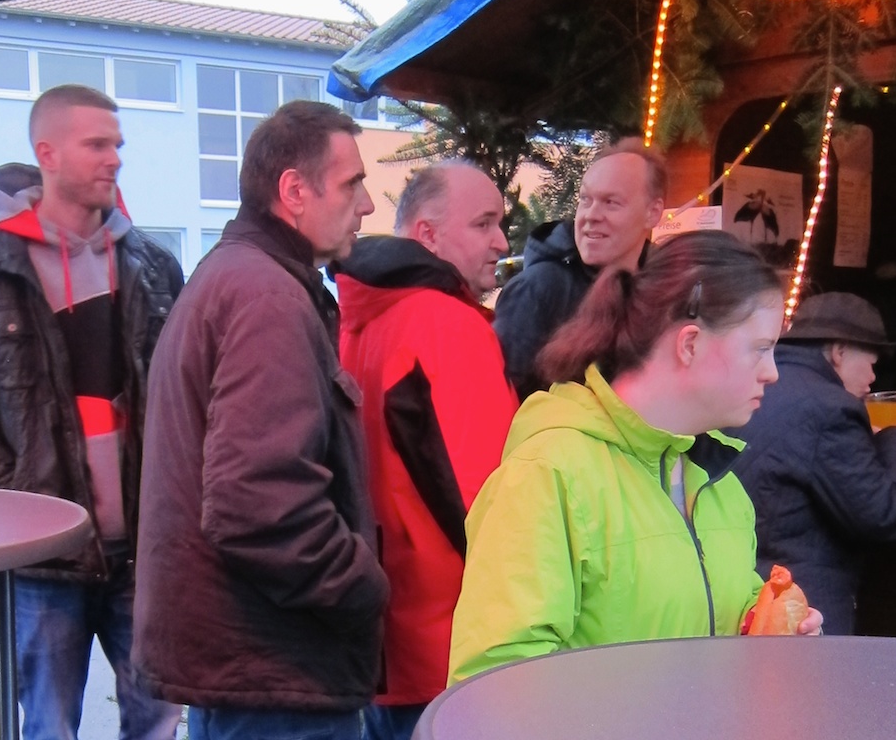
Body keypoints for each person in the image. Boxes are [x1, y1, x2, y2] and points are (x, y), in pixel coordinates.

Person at [0, 84, 184, 740]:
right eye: (96, 144)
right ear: (48, 154)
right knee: (48, 727)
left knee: (158, 723)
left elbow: (184, 395)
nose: (114, 158)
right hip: (44, 565)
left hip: (146, 554)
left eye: (117, 144)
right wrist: (17, 496)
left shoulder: (153, 265)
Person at [448, 230, 823, 684]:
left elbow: (709, 614)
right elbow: (496, 681)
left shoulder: (717, 480)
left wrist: (766, 624)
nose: (773, 372)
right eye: (761, 349)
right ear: (690, 344)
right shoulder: (549, 474)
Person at [132, 100, 389, 740]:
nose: (367, 205)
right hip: (276, 673)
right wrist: (364, 586)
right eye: (352, 184)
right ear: (294, 191)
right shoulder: (266, 296)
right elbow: (257, 503)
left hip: (252, 667)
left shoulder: (243, 277)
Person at [334, 162, 519, 740]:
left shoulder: (356, 320)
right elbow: (490, 504)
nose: (501, 242)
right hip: (454, 648)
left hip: (384, 640)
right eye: (483, 224)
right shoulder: (447, 326)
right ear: (427, 234)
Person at [731, 292, 896, 635]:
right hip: (804, 607)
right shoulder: (833, 408)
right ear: (840, 351)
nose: (873, 378)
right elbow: (882, 514)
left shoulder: (754, 384)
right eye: (871, 363)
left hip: (741, 593)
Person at [493, 138, 666, 398]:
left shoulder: (666, 291)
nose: (591, 215)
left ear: (653, 212)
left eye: (611, 202)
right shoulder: (538, 289)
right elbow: (500, 399)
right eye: (585, 200)